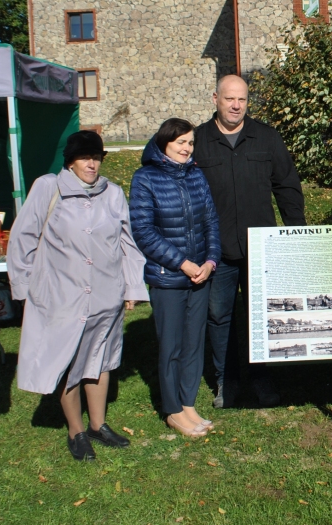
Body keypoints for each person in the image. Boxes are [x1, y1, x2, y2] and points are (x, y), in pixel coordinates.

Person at [8, 130, 146, 461]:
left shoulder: (112, 193)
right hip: (60, 296)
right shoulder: (48, 188)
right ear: (70, 161)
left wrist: (132, 286)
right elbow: (22, 238)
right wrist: (25, 290)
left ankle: (98, 425)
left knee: (100, 359)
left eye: (97, 158)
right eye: (85, 157)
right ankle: (76, 430)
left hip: (105, 294)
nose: (92, 164)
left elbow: (127, 242)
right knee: (68, 361)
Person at [195, 75, 305, 408]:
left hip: (261, 248)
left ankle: (261, 378)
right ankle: (225, 381)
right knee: (219, 316)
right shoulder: (198, 140)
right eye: (229, 99)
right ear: (215, 98)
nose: (235, 105)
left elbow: (287, 186)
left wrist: (294, 233)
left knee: (261, 315)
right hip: (217, 249)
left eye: (241, 99)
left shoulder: (267, 138)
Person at [131, 118, 221, 435]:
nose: (186, 148)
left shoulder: (197, 175)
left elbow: (211, 222)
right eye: (180, 142)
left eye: (190, 142)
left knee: (194, 344)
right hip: (167, 278)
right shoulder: (145, 178)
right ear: (164, 143)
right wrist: (182, 263)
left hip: (200, 276)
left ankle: (188, 405)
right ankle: (172, 410)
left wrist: (210, 261)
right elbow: (143, 232)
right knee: (171, 346)